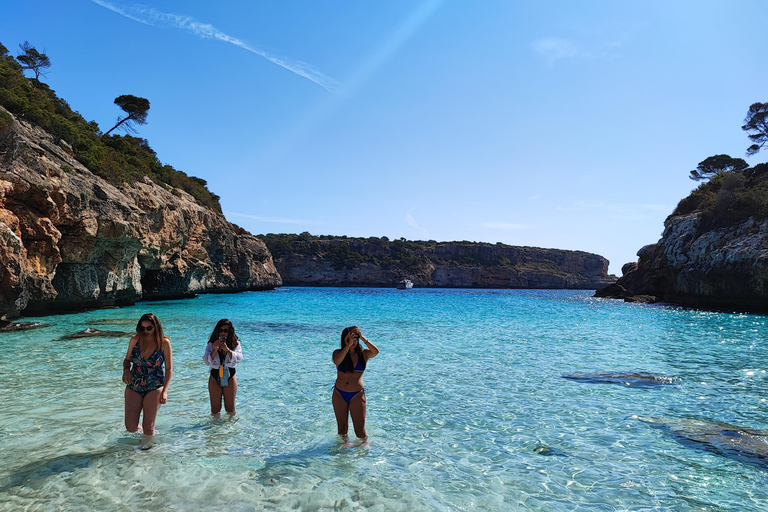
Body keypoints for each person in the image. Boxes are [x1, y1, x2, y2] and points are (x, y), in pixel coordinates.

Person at [122, 313, 173, 448]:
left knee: (148, 427)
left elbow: (169, 369)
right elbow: (127, 360)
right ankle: (147, 438)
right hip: (134, 385)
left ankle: (146, 454)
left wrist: (165, 391)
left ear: (156, 327)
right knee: (130, 426)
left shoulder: (164, 343)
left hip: (155, 386)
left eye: (149, 328)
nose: (145, 331)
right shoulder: (135, 340)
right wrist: (126, 370)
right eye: (142, 328)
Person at [332, 326, 379, 440]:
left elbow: (376, 351)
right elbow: (337, 361)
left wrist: (362, 337)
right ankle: (343, 454)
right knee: (342, 430)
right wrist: (348, 346)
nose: (352, 342)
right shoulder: (338, 353)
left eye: (354, 339)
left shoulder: (364, 354)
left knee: (360, 431)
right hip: (339, 394)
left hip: (357, 395)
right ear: (343, 340)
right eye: (348, 339)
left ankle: (363, 454)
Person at [203, 319, 243, 417]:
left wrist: (227, 349)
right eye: (220, 330)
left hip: (229, 374)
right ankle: (215, 431)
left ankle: (230, 430)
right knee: (215, 409)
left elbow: (238, 358)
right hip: (215, 375)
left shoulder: (235, 343)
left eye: (226, 331)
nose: (223, 333)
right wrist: (215, 349)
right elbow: (206, 361)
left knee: (230, 408)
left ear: (230, 332)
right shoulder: (211, 344)